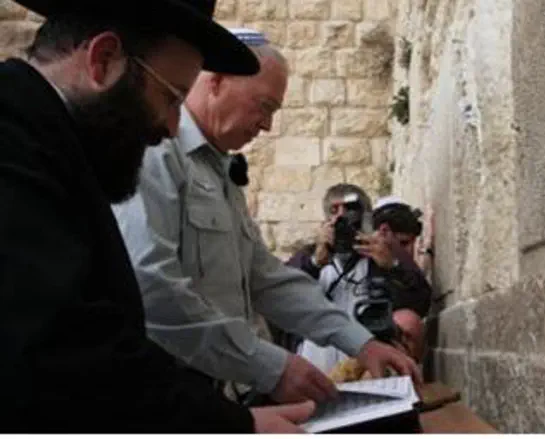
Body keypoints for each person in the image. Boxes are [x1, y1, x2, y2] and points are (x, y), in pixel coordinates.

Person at [0, 0, 315, 432]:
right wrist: (233, 425)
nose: (170, 127)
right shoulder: (13, 144)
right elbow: (61, 349)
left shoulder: (52, 146)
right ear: (104, 60)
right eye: (171, 99)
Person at [111, 30, 421, 408]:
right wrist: (271, 366)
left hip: (220, 394)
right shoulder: (158, 152)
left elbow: (266, 279)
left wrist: (362, 342)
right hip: (167, 400)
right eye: (264, 106)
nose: (267, 125)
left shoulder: (219, 173)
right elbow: (150, 287)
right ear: (216, 81)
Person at [285, 186, 433, 374]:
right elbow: (282, 294)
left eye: (350, 209)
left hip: (369, 353)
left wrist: (393, 266)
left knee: (408, 321)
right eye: (334, 210)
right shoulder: (310, 255)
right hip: (317, 355)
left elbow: (421, 302)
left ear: (365, 216)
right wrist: (315, 262)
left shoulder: (383, 251)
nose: (342, 217)